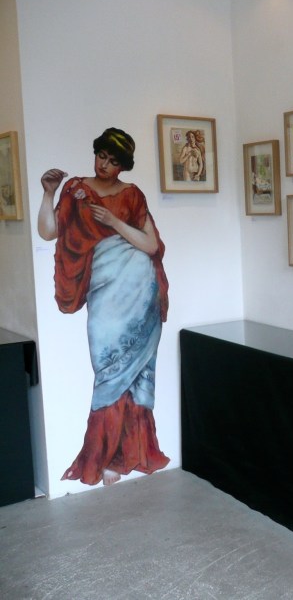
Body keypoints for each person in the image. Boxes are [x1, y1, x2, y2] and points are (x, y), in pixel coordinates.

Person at [37, 127, 170, 486]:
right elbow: (49, 232)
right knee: (108, 368)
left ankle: (129, 455)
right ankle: (103, 455)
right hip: (104, 294)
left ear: (123, 165)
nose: (105, 165)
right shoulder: (75, 190)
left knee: (135, 373)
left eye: (113, 161)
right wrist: (49, 193)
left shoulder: (132, 195)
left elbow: (150, 245)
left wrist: (113, 222)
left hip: (140, 291)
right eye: (102, 156)